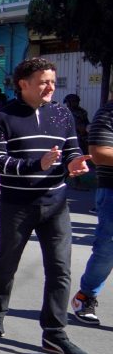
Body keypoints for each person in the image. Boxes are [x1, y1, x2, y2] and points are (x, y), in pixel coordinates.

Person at [0, 57, 92, 354]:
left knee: (60, 269)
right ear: (24, 84)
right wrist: (37, 164)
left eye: (53, 82)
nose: (50, 87)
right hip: (17, 205)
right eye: (44, 81)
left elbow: (72, 150)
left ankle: (55, 333)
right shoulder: (2, 118)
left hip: (55, 204)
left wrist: (75, 164)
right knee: (7, 263)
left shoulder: (61, 114)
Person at [70, 98, 113, 326]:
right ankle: (85, 296)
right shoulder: (107, 114)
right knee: (107, 249)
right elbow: (98, 153)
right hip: (112, 191)